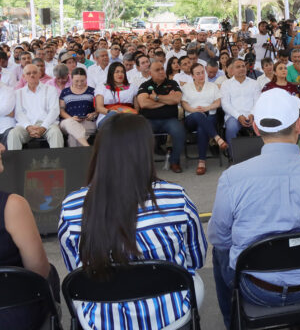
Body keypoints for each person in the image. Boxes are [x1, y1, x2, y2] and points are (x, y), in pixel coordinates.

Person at [208, 88, 300, 328]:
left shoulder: (233, 177)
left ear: (257, 129)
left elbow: (220, 238)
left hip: (255, 289)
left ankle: (233, 322)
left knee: (220, 252)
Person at [58, 114, 207, 330]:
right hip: (170, 317)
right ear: (145, 150)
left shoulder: (72, 206)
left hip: (102, 321)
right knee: (195, 279)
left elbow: (75, 268)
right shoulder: (176, 197)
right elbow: (196, 259)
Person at [0, 147, 60, 330]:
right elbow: (39, 272)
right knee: (51, 273)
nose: (2, 147)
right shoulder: (12, 206)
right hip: (11, 314)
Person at [136, 60, 186, 173]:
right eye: (157, 70)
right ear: (150, 73)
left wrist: (156, 97)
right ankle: (146, 163)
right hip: (149, 120)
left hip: (169, 120)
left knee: (179, 132)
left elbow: (176, 99)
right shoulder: (145, 85)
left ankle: (174, 161)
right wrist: (167, 100)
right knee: (141, 133)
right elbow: (143, 103)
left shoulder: (172, 83)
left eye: (162, 69)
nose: (161, 72)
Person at [181, 63, 227, 175]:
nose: (201, 75)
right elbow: (184, 104)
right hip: (191, 117)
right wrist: (193, 110)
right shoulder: (186, 87)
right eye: (198, 73)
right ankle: (217, 138)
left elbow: (218, 102)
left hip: (210, 115)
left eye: (202, 72)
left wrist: (207, 107)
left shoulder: (212, 86)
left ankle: (202, 162)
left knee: (202, 128)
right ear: (192, 75)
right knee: (198, 115)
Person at [7, 64, 64, 150]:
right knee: (13, 134)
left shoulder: (51, 89)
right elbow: (19, 113)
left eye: (34, 72)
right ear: (23, 76)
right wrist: (28, 127)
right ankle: (14, 162)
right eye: (28, 73)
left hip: (47, 125)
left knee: (56, 133)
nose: (32, 75)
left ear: (39, 74)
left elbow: (54, 110)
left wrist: (43, 127)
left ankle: (58, 162)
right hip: (26, 126)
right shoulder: (18, 93)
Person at [220, 59, 260, 148]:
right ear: (232, 70)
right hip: (234, 116)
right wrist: (238, 116)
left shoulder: (254, 83)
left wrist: (252, 114)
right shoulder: (226, 84)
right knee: (231, 128)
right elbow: (225, 104)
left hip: (252, 115)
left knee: (262, 127)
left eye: (243, 66)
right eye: (238, 67)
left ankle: (260, 155)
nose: (242, 68)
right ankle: (233, 157)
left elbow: (257, 102)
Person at [59, 68, 97, 147]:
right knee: (70, 123)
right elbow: (61, 111)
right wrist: (71, 118)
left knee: (73, 136)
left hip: (87, 122)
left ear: (86, 78)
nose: (79, 84)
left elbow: (98, 109)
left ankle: (76, 157)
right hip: (68, 121)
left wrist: (93, 114)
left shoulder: (92, 91)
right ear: (71, 79)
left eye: (82, 81)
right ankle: (87, 147)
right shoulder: (65, 92)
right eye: (76, 81)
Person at [94, 62, 138, 128]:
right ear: (111, 74)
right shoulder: (102, 87)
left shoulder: (132, 87)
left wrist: (129, 114)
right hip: (107, 115)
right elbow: (99, 108)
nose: (120, 74)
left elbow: (137, 108)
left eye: (122, 72)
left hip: (127, 116)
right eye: (117, 72)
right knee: (114, 117)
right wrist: (111, 112)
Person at [0, 83, 14, 150]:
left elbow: (6, 109)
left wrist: (7, 112)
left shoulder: (9, 90)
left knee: (11, 134)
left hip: (6, 128)